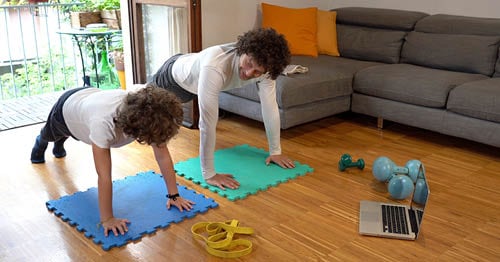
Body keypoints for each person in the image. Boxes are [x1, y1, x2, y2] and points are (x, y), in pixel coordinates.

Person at [30, 84, 194, 237]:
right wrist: (107, 219)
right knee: (51, 134)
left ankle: (60, 141)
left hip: (89, 98)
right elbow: (104, 176)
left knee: (64, 137)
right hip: (66, 111)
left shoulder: (150, 105)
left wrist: (174, 195)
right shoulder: (103, 123)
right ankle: (41, 143)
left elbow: (162, 155)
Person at [149, 27, 296, 190]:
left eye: (257, 72)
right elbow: (207, 123)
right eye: (249, 64)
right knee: (144, 118)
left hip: (194, 73)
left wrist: (275, 151)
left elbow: (270, 106)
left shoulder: (267, 70)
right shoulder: (215, 66)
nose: (248, 73)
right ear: (244, 51)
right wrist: (209, 174)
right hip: (172, 79)